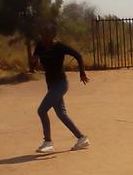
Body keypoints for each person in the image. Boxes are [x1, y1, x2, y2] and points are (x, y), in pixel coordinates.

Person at [31, 25, 90, 153]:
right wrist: (34, 62)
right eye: (42, 35)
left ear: (53, 36)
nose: (44, 38)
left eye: (47, 36)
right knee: (61, 114)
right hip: (51, 85)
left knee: (41, 110)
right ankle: (81, 138)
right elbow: (35, 61)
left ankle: (48, 141)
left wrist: (82, 73)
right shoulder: (40, 46)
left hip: (61, 84)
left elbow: (78, 55)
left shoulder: (59, 47)